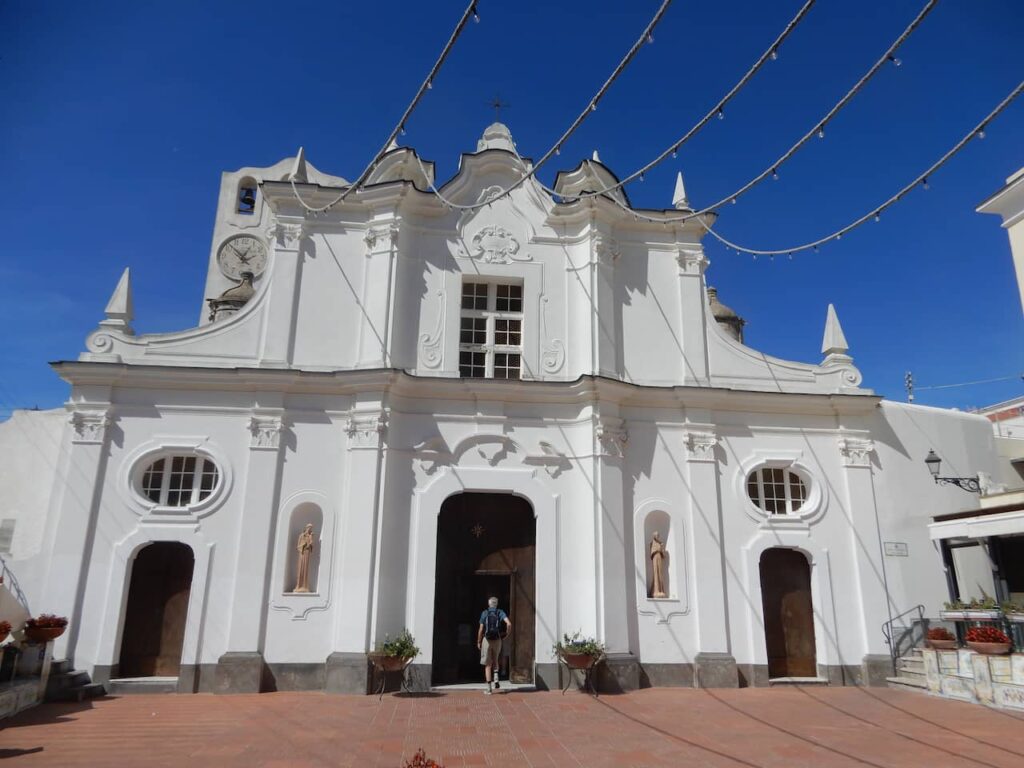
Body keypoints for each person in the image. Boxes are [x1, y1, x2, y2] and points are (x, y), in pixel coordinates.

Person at [477, 596, 511, 694]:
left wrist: (479, 641)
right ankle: (496, 676)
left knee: (488, 665)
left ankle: (489, 689)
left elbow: (480, 629)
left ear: (489, 604)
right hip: (497, 639)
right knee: (496, 660)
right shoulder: (500, 612)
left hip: (487, 640)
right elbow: (509, 624)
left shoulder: (484, 613)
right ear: (496, 604)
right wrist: (507, 634)